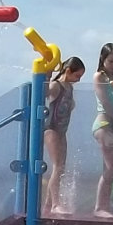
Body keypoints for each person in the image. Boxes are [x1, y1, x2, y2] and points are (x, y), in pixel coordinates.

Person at [41, 55, 85, 216]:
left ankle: (48, 205)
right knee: (57, 166)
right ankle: (55, 204)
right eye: (77, 76)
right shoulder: (57, 85)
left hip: (62, 131)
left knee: (62, 167)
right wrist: (47, 74)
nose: (78, 80)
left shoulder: (70, 88)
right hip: (51, 129)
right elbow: (44, 93)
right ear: (68, 71)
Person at [89, 44, 113, 217]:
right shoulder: (100, 76)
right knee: (112, 166)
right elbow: (105, 101)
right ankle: (100, 208)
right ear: (102, 60)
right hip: (104, 123)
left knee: (111, 167)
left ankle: (105, 206)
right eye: (110, 61)